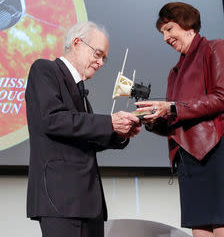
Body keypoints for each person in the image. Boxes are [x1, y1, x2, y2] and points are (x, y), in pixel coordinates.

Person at [136, 2, 224, 237]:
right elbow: (176, 118)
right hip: (189, 158)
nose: (165, 38)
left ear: (187, 25)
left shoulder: (215, 48)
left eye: (169, 29)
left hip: (221, 150)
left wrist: (171, 107)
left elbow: (222, 98)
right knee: (200, 229)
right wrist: (150, 119)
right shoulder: (175, 72)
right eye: (162, 33)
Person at [25, 21, 141, 237]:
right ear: (77, 43)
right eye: (97, 54)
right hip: (61, 200)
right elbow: (53, 120)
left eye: (104, 58)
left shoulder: (80, 90)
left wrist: (120, 132)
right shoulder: (45, 69)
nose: (100, 62)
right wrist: (109, 123)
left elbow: (85, 136)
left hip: (87, 202)